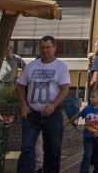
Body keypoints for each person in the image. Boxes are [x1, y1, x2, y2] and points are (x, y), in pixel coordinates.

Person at [16, 35, 71, 173]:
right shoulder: (31, 66)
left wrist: (53, 106)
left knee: (52, 149)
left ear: (54, 48)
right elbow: (19, 86)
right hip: (32, 113)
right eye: (42, 47)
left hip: (52, 113)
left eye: (48, 47)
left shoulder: (60, 66)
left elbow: (65, 89)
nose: (45, 50)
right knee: (27, 148)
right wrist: (24, 105)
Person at [69, 88, 98, 173]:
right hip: (88, 137)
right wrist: (67, 123)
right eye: (90, 97)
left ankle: (97, 169)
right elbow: (77, 115)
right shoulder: (87, 109)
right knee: (87, 156)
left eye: (93, 97)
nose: (90, 98)